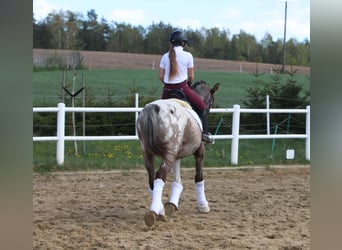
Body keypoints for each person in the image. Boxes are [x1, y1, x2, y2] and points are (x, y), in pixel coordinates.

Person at [159, 30, 214, 144]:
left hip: (167, 90)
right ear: (183, 43)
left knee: (159, 110)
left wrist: (169, 83)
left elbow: (161, 76)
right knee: (202, 108)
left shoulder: (164, 56)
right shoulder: (188, 56)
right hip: (183, 88)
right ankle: (204, 134)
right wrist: (188, 82)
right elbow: (191, 76)